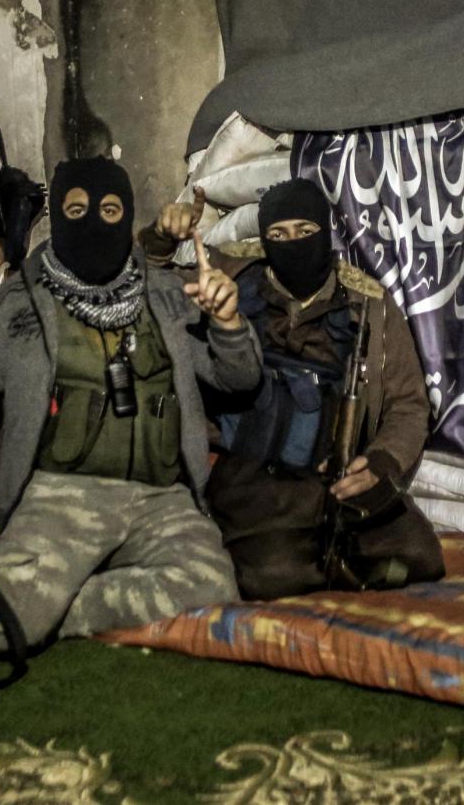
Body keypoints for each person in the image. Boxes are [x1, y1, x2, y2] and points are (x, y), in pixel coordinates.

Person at [0, 157, 261, 652]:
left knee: (213, 586)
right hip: (60, 498)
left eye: (110, 211)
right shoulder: (13, 304)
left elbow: (239, 378)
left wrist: (228, 323)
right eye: (77, 210)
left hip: (161, 498)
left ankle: (49, 609)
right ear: (59, 217)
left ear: (127, 217)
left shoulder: (168, 294)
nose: (94, 223)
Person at [145, 178, 445, 599]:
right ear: (265, 240)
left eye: (305, 231)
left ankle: (329, 562)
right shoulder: (229, 279)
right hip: (253, 476)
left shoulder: (369, 304)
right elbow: (146, 277)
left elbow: (408, 404)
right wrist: (162, 237)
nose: (294, 243)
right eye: (279, 234)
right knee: (270, 574)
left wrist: (381, 462)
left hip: (335, 475)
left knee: (420, 555)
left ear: (325, 232)